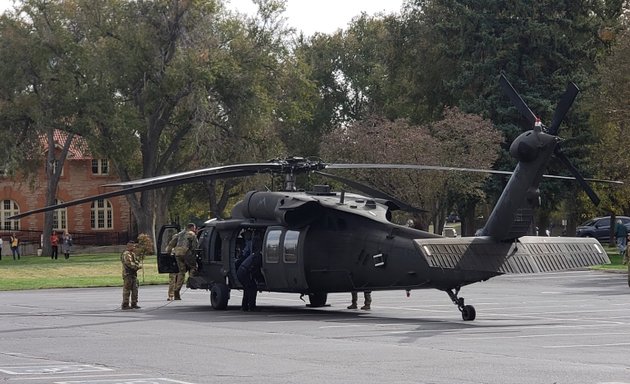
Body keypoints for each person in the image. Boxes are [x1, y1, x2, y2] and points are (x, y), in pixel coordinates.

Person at [165, 223, 199, 301]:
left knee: (181, 271)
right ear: (191, 227)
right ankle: (190, 281)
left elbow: (171, 244)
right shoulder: (192, 234)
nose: (194, 229)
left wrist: (168, 253)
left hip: (177, 254)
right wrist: (195, 255)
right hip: (187, 253)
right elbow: (195, 246)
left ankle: (177, 290)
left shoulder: (178, 234)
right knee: (194, 267)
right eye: (194, 228)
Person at [237, 237, 263, 311]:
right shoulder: (259, 256)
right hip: (245, 272)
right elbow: (255, 268)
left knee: (247, 289)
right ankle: (252, 307)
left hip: (241, 271)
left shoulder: (255, 254)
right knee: (252, 288)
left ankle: (244, 306)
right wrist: (259, 279)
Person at [121, 241, 142, 310]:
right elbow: (129, 263)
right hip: (128, 274)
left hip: (133, 274)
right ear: (129, 246)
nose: (134, 247)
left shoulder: (132, 254)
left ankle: (134, 303)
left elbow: (136, 261)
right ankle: (125, 304)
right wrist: (137, 267)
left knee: (135, 289)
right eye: (133, 246)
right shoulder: (126, 254)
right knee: (127, 290)